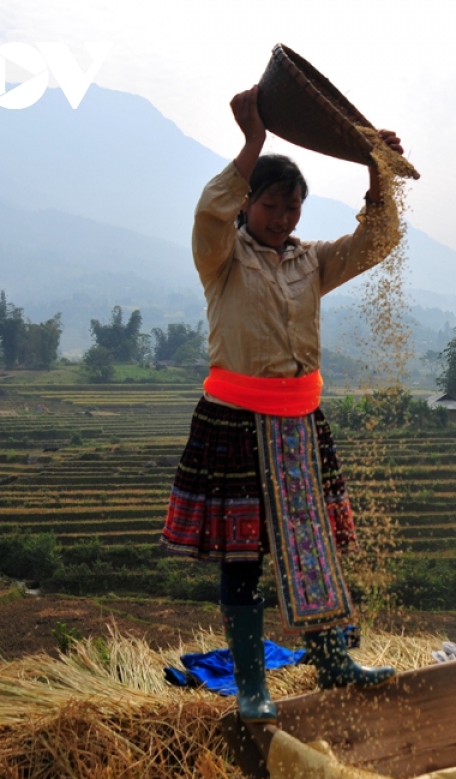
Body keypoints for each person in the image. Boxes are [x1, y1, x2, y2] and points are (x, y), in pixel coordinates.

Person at [160, 85, 403, 723]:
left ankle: (330, 661)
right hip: (237, 421)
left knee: (311, 548)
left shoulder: (309, 262)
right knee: (245, 554)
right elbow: (209, 213)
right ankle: (249, 685)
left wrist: (379, 176)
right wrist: (252, 144)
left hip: (299, 423)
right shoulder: (221, 256)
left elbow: (373, 244)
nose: (285, 217)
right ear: (249, 204)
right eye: (272, 204)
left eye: (294, 206)